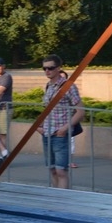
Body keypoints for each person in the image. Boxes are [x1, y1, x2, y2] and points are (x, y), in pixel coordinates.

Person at [36, 55, 85, 189]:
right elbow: (46, 109)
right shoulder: (48, 86)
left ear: (58, 68)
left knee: (61, 170)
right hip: (46, 133)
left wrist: (64, 128)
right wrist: (39, 126)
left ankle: (63, 200)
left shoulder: (68, 86)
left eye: (50, 68)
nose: (47, 71)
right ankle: (55, 198)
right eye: (44, 68)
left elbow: (80, 111)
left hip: (59, 134)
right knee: (52, 169)